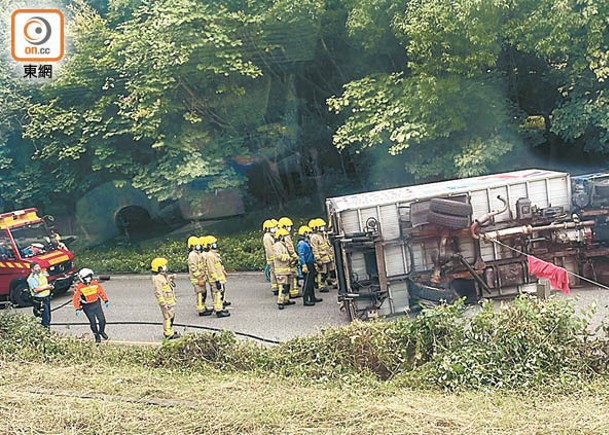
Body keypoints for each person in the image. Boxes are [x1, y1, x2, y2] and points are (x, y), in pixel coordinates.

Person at [72, 268, 109, 344]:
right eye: (86, 277)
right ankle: (97, 336)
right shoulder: (79, 287)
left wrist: (105, 300)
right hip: (87, 307)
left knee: (102, 320)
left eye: (89, 276)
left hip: (96, 304)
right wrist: (77, 308)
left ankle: (101, 331)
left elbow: (101, 291)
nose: (88, 279)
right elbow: (76, 298)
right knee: (93, 323)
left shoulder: (95, 283)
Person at [151, 257, 180, 340]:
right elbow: (158, 292)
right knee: (167, 316)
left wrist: (171, 277)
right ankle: (168, 332)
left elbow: (166, 280)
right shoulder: (157, 279)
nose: (166, 267)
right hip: (165, 302)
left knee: (171, 315)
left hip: (169, 300)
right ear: (159, 268)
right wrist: (163, 303)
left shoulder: (163, 276)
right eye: (164, 266)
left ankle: (170, 330)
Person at [202, 236, 231, 318]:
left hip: (218, 278)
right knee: (217, 294)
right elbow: (211, 270)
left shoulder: (213, 254)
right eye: (213, 244)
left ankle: (219, 308)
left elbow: (218, 267)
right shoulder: (210, 256)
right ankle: (219, 311)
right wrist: (216, 280)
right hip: (215, 279)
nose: (215, 245)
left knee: (219, 294)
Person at [297, 226, 323, 306]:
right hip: (306, 264)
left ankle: (312, 297)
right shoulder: (301, 243)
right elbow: (301, 255)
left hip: (310, 263)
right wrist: (304, 265)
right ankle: (305, 299)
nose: (310, 234)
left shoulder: (306, 242)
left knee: (311, 281)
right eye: (308, 232)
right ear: (304, 233)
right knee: (307, 282)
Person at [188, 236, 212, 316]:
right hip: (197, 279)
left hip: (201, 278)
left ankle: (203, 307)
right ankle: (201, 310)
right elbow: (193, 268)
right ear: (192, 246)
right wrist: (199, 277)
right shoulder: (192, 255)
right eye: (196, 245)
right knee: (200, 294)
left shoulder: (198, 254)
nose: (199, 247)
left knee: (204, 293)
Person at [278, 217, 301, 298]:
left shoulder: (282, 235)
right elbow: (290, 248)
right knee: (293, 275)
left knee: (290, 276)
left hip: (287, 259)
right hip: (290, 259)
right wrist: (295, 256)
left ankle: (291, 292)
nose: (290, 228)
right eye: (289, 226)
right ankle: (293, 291)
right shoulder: (286, 236)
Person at [273, 228, 295, 309]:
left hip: (286, 270)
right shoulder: (277, 245)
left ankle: (286, 300)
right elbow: (279, 256)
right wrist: (288, 258)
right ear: (281, 236)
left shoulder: (283, 245)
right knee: (283, 287)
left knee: (287, 286)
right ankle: (280, 301)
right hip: (281, 270)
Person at [27, 262, 54, 329]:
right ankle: (45, 333)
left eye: (38, 266)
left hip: (46, 298)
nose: (38, 268)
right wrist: (47, 288)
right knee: (44, 319)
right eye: (36, 267)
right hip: (39, 300)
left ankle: (47, 331)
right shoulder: (32, 278)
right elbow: (35, 290)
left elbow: (44, 282)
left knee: (48, 317)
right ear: (32, 269)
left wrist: (50, 286)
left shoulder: (41, 274)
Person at [262, 219, 279, 295]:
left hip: (273, 257)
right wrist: (273, 258)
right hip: (272, 258)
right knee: (274, 272)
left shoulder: (270, 236)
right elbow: (269, 249)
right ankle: (275, 288)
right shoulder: (267, 237)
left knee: (274, 273)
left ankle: (276, 287)